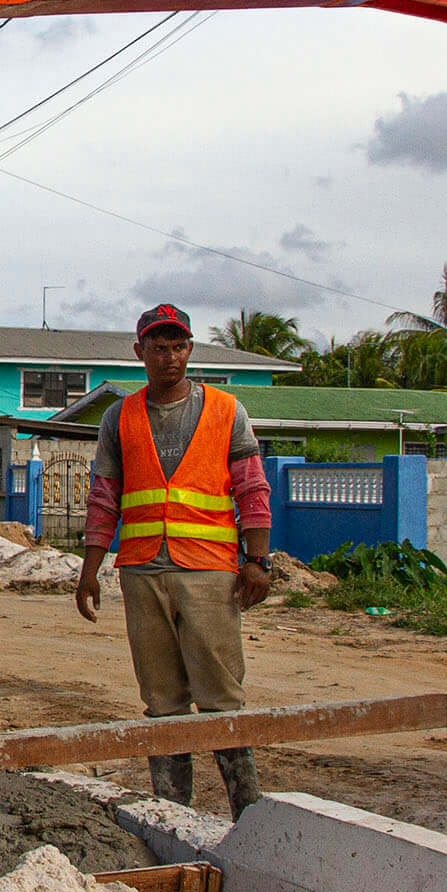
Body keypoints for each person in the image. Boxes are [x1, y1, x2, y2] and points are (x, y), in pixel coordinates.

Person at [73, 304, 276, 812]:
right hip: (143, 570)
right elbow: (104, 497)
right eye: (159, 347)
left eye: (179, 346)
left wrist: (259, 560)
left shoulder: (227, 411)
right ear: (140, 351)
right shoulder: (120, 418)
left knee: (222, 698)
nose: (170, 357)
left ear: (191, 350)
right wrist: (89, 570)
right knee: (162, 703)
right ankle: (172, 815)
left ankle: (247, 814)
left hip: (208, 571)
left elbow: (253, 488)